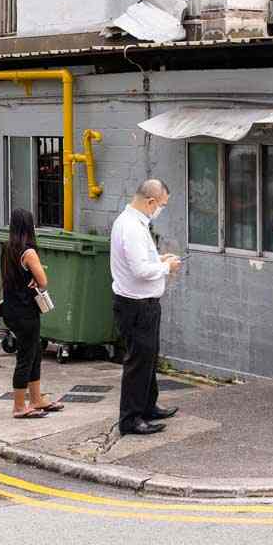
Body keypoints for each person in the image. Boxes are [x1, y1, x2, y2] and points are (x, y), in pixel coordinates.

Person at [110, 179, 183, 436]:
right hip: (136, 306)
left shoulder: (134, 224)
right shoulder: (131, 227)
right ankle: (131, 419)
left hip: (144, 304)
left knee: (149, 358)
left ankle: (148, 405)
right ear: (150, 201)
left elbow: (140, 261)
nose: (160, 210)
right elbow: (140, 271)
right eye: (161, 205)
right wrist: (166, 267)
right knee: (138, 362)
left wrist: (159, 259)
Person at [0, 208, 63, 419]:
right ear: (30, 226)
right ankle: (19, 406)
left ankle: (36, 399)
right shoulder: (29, 252)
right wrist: (37, 276)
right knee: (27, 357)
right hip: (26, 311)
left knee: (34, 352)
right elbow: (43, 281)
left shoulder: (8, 248)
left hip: (11, 309)